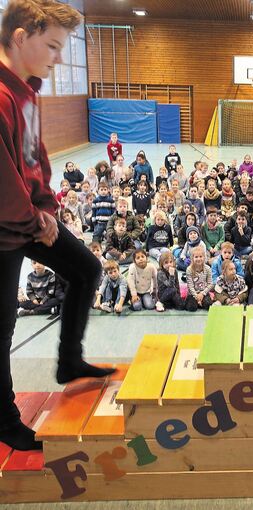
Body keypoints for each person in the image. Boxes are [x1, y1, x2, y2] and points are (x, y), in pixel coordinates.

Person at [0, 0, 116, 451]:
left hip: (29, 218)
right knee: (2, 324)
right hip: (7, 227)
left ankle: (69, 361)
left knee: (86, 269)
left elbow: (33, 157)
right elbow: (4, 175)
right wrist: (33, 222)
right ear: (20, 36)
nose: (58, 57)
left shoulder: (28, 90)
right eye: (51, 45)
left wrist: (48, 210)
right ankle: (6, 420)